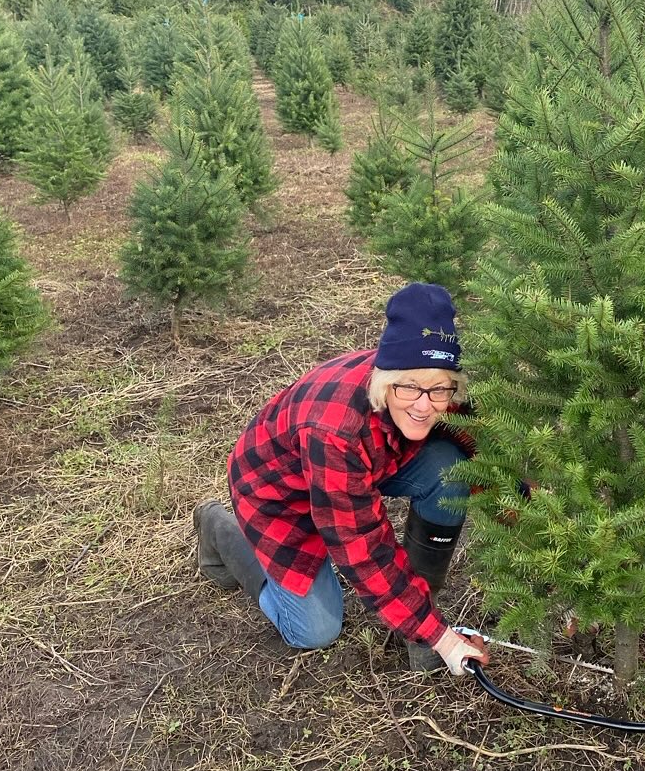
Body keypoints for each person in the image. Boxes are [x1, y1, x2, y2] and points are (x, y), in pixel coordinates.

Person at [193, 282, 489, 676]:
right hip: (278, 494)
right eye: (409, 387)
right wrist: (442, 637)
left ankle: (416, 620)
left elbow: (491, 464)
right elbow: (362, 547)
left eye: (438, 390)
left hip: (362, 467)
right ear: (386, 381)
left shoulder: (436, 385)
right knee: (315, 631)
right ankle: (219, 529)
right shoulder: (335, 431)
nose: (424, 404)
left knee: (452, 468)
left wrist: (557, 561)